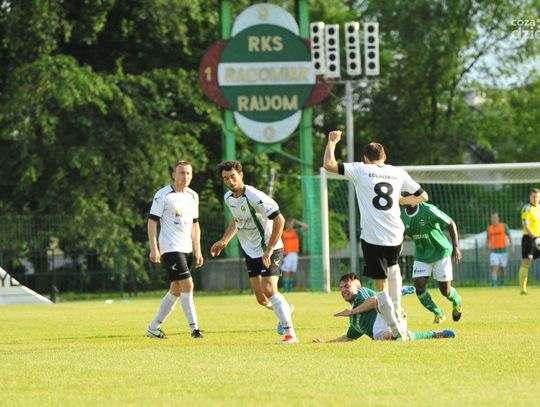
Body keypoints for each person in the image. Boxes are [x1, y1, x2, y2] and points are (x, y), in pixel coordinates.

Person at [323, 130, 428, 340]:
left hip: (373, 237)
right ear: (384, 157)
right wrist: (401, 201)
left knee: (380, 287)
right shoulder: (398, 172)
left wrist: (332, 141)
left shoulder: (360, 169)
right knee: (393, 269)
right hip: (396, 233)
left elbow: (329, 164)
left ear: (365, 158)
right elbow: (423, 196)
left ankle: (397, 331)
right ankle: (397, 306)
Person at [210, 160, 297, 344]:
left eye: (233, 177)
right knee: (261, 298)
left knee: (269, 288)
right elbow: (237, 220)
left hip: (270, 248)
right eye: (225, 178)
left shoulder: (255, 196)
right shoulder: (228, 198)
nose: (230, 181)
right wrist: (224, 241)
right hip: (251, 251)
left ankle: (290, 335)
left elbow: (280, 220)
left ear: (241, 175)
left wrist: (269, 249)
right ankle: (286, 309)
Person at [145, 161, 204, 339]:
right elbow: (152, 222)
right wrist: (154, 248)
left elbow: (195, 225)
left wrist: (198, 250)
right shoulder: (163, 195)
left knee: (176, 289)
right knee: (188, 284)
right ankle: (194, 329)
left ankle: (153, 327)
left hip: (186, 248)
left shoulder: (193, 196)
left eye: (188, 173)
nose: (185, 176)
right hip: (170, 247)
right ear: (173, 174)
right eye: (181, 173)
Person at [312, 273, 455, 343]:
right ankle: (433, 334)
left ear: (358, 287)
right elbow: (348, 337)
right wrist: (325, 343)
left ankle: (396, 292)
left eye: (347, 286)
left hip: (389, 317)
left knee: (381, 301)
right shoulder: (353, 322)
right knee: (394, 338)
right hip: (383, 331)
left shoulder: (362, 294)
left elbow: (375, 300)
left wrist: (351, 311)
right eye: (341, 288)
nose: (343, 290)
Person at [401, 200, 463, 323]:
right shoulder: (402, 217)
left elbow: (450, 223)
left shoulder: (429, 210)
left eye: (407, 196)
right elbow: (399, 236)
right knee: (419, 287)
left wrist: (456, 247)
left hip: (440, 253)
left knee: (445, 291)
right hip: (422, 255)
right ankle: (438, 313)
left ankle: (457, 301)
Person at [518, 188, 540, 295]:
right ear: (529, 197)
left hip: (539, 237)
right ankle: (523, 289)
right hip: (529, 238)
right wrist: (535, 238)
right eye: (533, 196)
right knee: (527, 262)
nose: (535, 199)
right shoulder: (527, 208)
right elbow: (526, 226)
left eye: (537, 197)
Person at [484, 212, 514, 288]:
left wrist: (512, 247)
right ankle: (494, 286)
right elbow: (487, 240)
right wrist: (485, 250)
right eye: (492, 217)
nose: (493, 219)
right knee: (494, 268)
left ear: (498, 218)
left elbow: (510, 237)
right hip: (494, 252)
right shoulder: (489, 228)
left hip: (503, 251)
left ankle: (502, 284)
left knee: (502, 269)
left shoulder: (504, 226)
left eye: (495, 217)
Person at [281, 218, 308, 292]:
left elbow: (306, 226)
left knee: (292, 272)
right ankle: (286, 290)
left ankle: (290, 290)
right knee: (286, 272)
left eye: (291, 224)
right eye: (288, 224)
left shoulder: (296, 232)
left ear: (293, 225)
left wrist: (296, 222)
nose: (289, 225)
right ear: (286, 225)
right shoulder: (283, 233)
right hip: (286, 255)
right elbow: (280, 245)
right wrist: (281, 256)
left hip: (294, 254)